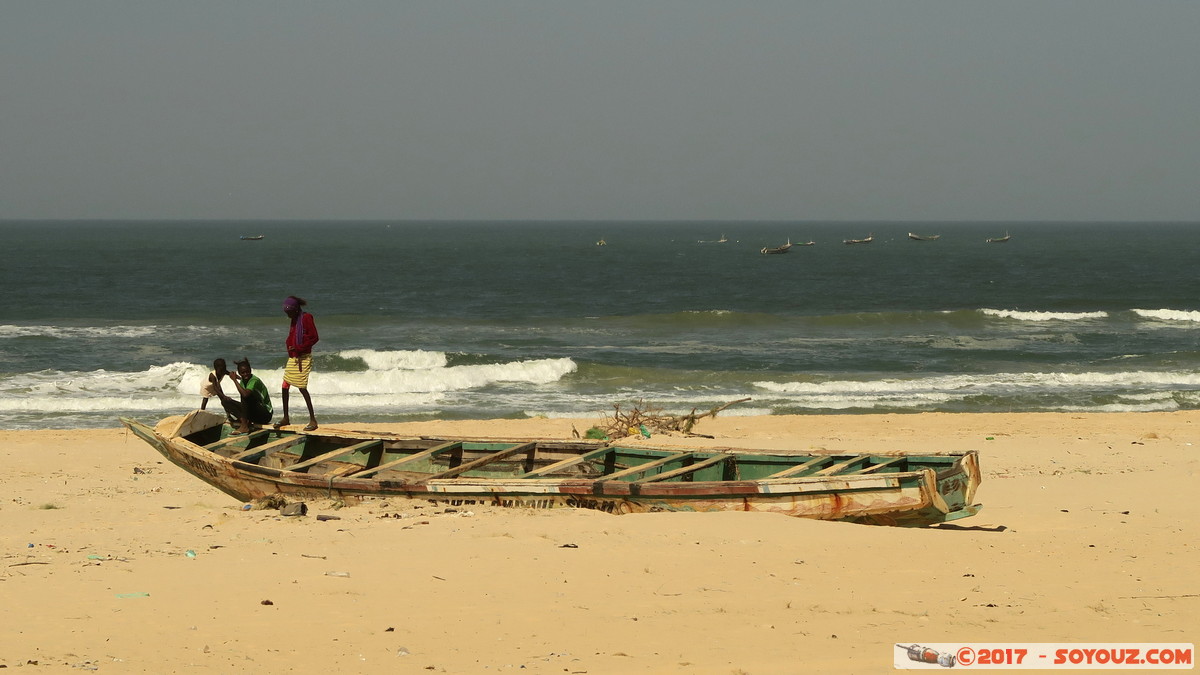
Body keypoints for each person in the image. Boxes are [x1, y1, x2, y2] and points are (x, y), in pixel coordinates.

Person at [278, 295, 319, 431]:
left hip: (304, 357)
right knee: (285, 385)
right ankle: (286, 417)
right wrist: (289, 345)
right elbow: (292, 335)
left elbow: (314, 337)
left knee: (302, 387)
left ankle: (313, 420)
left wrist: (300, 348)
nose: (288, 315)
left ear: (295, 310)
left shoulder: (306, 318)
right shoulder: (294, 319)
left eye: (289, 312)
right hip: (294, 357)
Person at [217, 358, 273, 434]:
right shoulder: (243, 381)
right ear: (240, 373)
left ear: (250, 370)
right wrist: (237, 378)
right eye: (243, 373)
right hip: (254, 414)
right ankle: (244, 421)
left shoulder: (254, 380)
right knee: (225, 401)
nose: (246, 374)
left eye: (248, 372)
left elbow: (245, 395)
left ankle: (244, 426)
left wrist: (234, 380)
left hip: (265, 415)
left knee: (245, 395)